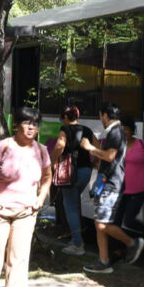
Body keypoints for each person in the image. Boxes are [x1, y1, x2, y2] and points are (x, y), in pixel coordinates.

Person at [0, 107, 52, 287]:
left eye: (35, 124)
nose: (31, 127)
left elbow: (47, 176)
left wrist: (41, 197)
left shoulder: (41, 151)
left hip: (26, 211)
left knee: (18, 255)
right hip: (0, 211)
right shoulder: (3, 146)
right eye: (27, 123)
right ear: (16, 125)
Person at [81, 102, 144, 274]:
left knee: (102, 224)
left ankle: (132, 243)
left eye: (101, 116)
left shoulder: (116, 131)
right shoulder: (115, 132)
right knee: (99, 223)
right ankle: (103, 262)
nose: (100, 119)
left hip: (111, 183)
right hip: (108, 182)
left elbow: (109, 156)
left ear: (105, 116)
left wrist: (90, 148)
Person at [51, 105, 96, 256]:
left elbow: (59, 146)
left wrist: (51, 164)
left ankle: (77, 244)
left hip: (69, 172)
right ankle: (76, 239)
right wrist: (95, 162)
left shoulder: (64, 130)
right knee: (74, 204)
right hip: (86, 172)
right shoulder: (87, 130)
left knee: (70, 207)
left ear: (64, 117)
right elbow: (98, 147)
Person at [114, 115, 144, 245]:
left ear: (132, 130)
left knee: (128, 220)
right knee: (115, 222)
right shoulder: (117, 146)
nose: (123, 132)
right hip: (122, 189)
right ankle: (121, 249)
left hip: (139, 189)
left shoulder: (141, 144)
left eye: (126, 129)